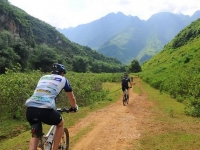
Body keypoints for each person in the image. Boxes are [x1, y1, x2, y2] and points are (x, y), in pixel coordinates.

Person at [25, 63, 78, 150]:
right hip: (45, 110)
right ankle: (55, 148)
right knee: (60, 124)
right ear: (62, 73)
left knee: (35, 134)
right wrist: (73, 107)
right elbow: (71, 97)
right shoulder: (63, 79)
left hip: (30, 109)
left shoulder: (43, 77)